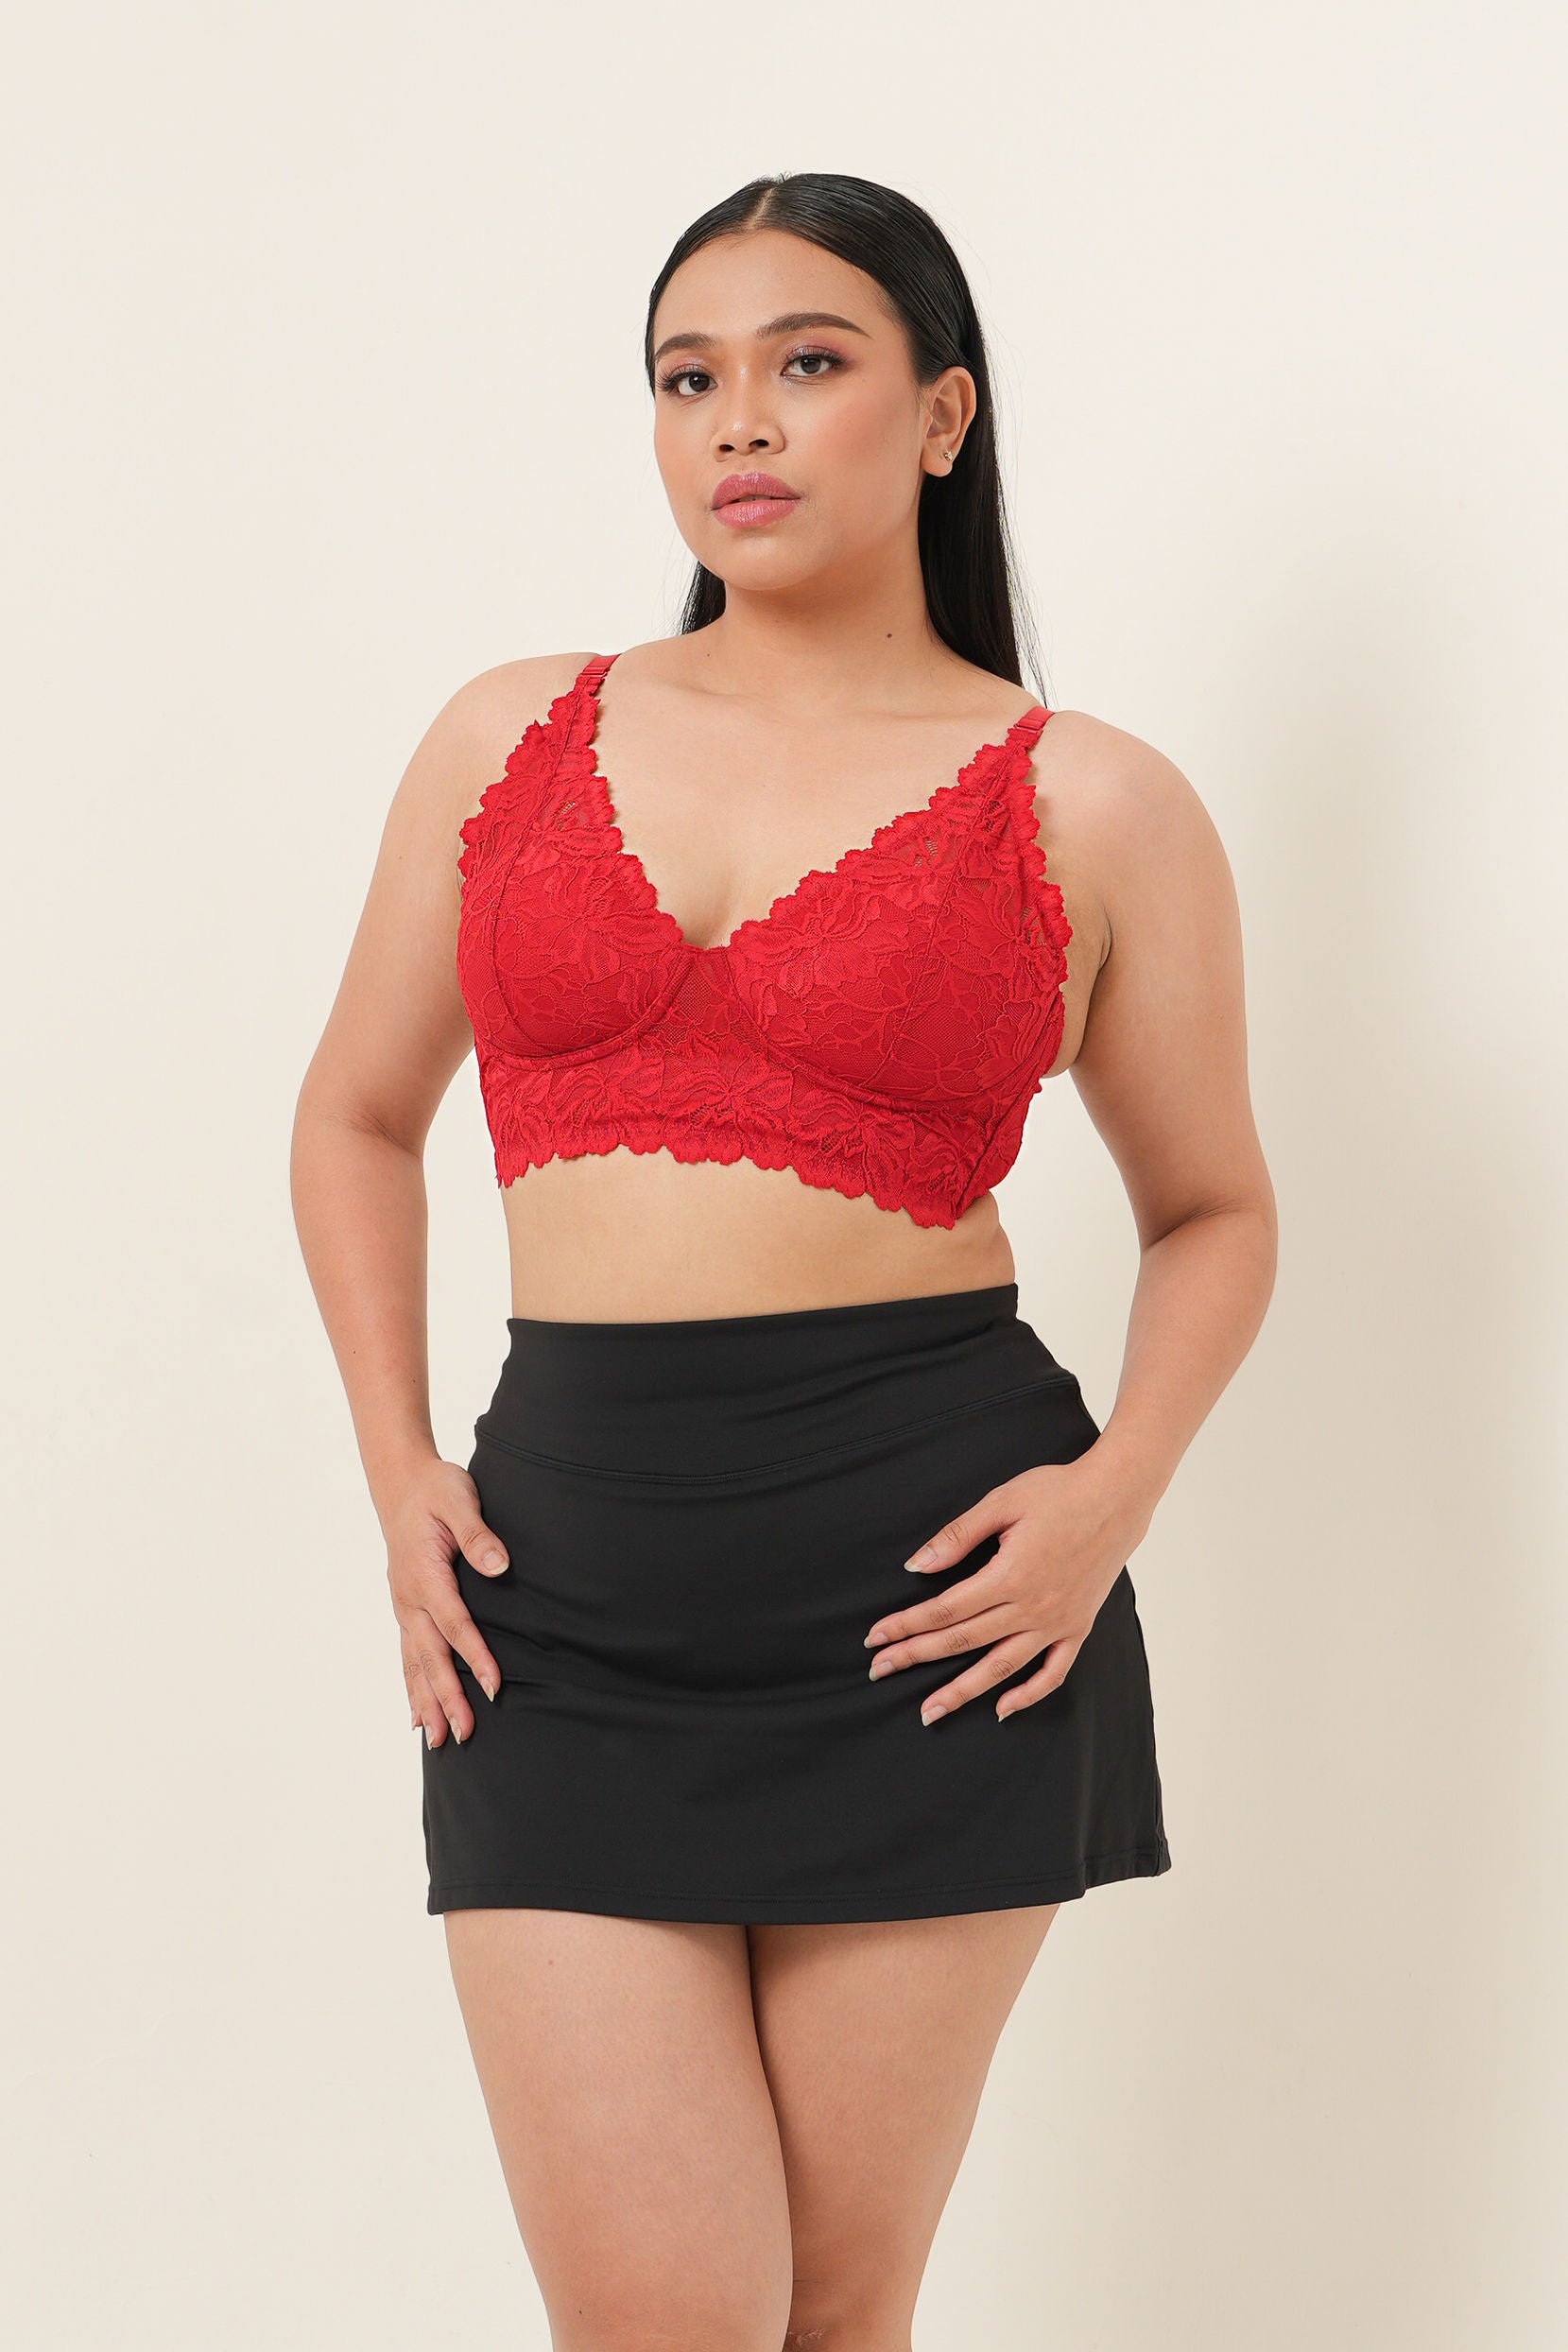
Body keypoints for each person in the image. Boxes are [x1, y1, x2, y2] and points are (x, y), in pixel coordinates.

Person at [292, 170, 1276, 2352]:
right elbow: (354, 1113)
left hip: (931, 1602)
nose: (735, 420)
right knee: (660, 2315)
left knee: (833, 2312)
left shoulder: (1091, 801)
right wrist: (394, 1470)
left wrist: (1107, 1500)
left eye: (804, 363)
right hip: (557, 1598)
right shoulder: (507, 734)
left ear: (937, 415)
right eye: (686, 378)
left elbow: (1214, 1208)